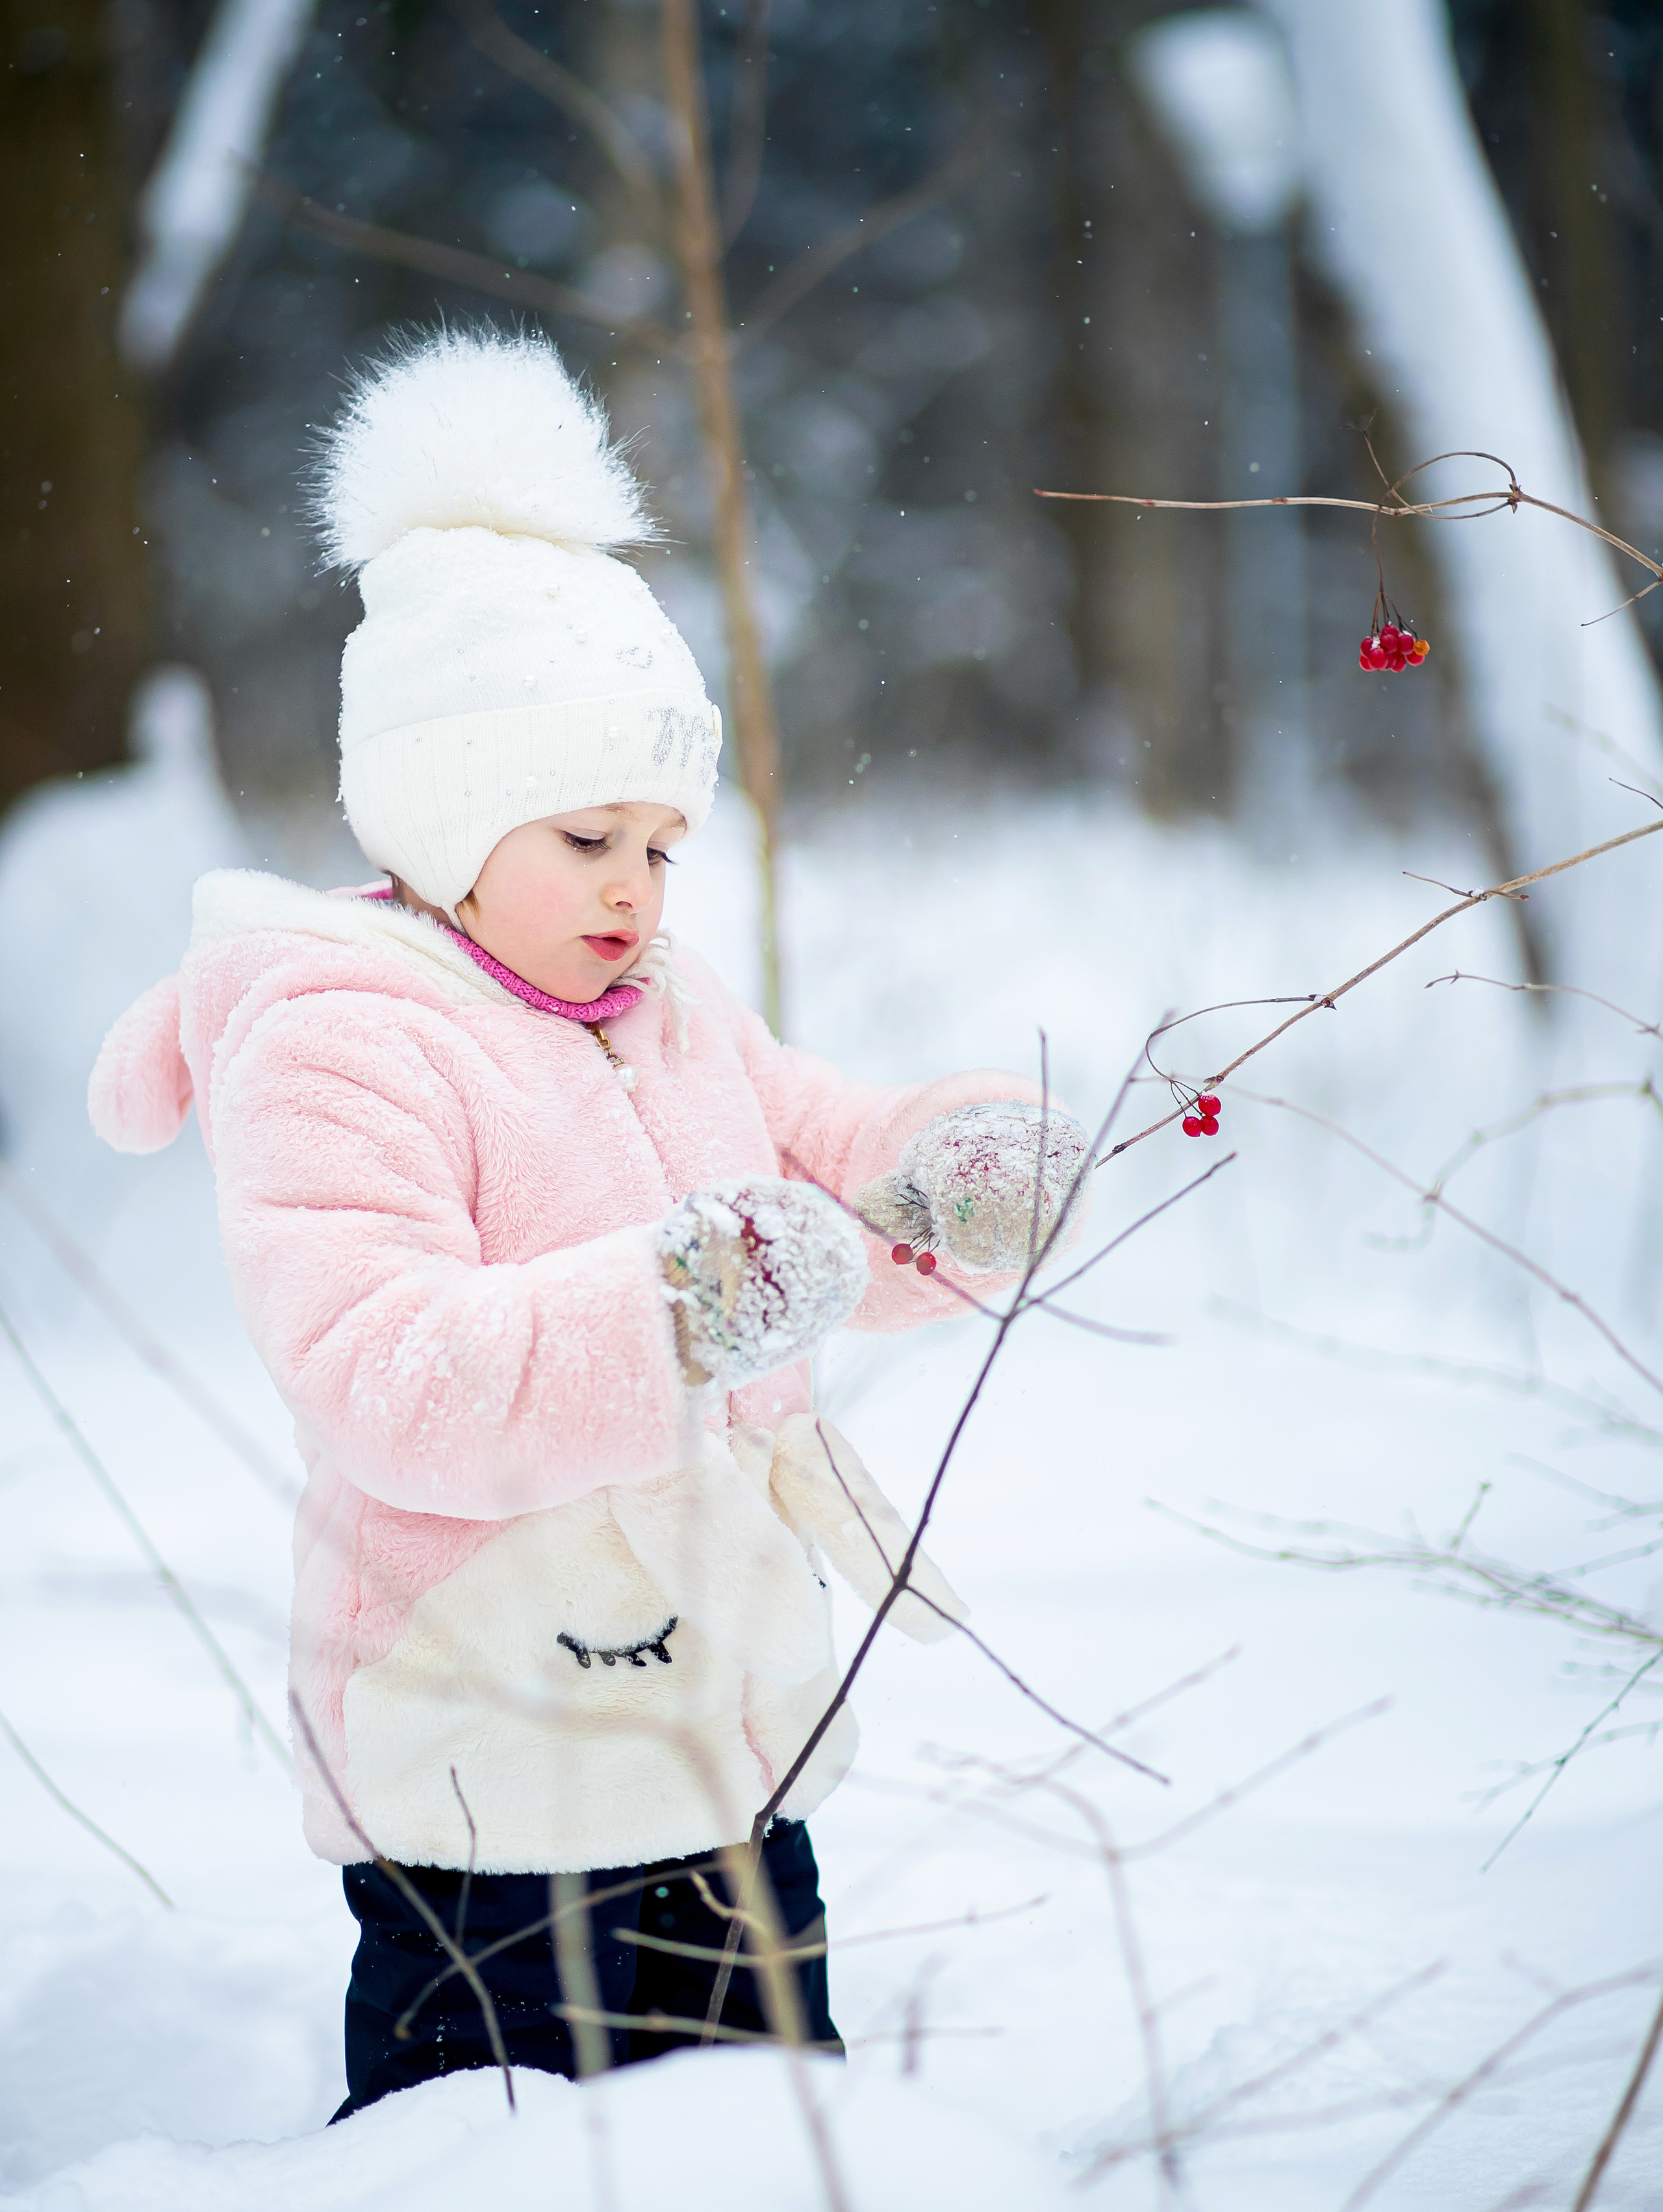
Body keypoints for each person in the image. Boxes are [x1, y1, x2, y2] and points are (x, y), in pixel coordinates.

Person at [88, 327, 1089, 2117]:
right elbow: (380, 1367)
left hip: (724, 1739)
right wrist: (683, 1312)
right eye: (583, 840)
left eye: (659, 843)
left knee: (775, 2125)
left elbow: (817, 1151)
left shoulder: (663, 1005)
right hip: (486, 1759)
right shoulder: (340, 1038)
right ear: (448, 820)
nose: (634, 890)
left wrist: (944, 1179)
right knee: (487, 2152)